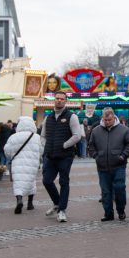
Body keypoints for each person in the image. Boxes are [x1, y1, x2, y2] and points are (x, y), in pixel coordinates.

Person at [41, 91, 82, 222]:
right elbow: (43, 135)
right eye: (57, 98)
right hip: (51, 155)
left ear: (66, 101)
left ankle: (62, 210)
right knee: (47, 181)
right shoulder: (48, 117)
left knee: (64, 182)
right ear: (54, 100)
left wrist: (64, 145)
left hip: (65, 156)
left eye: (62, 99)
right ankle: (58, 203)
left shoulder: (72, 117)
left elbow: (77, 135)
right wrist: (45, 146)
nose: (59, 101)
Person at [88, 107, 129, 221]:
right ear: (102, 118)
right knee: (105, 191)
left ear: (114, 118)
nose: (107, 122)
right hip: (102, 166)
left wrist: (123, 155)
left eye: (110, 120)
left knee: (119, 188)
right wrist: (96, 156)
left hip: (119, 165)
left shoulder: (124, 129)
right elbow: (91, 146)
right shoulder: (96, 130)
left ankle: (121, 210)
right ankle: (108, 213)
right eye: (105, 120)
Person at [4, 116, 42, 214]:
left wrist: (11, 156)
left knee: (18, 183)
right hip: (33, 163)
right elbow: (42, 151)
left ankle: (19, 200)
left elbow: (7, 151)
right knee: (31, 181)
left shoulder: (13, 137)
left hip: (17, 163)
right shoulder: (37, 137)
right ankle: (30, 203)